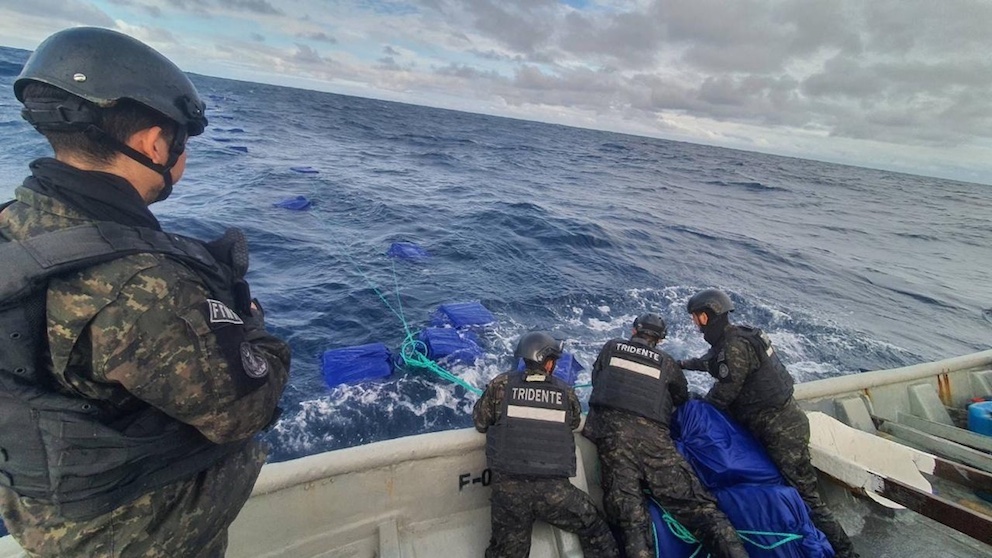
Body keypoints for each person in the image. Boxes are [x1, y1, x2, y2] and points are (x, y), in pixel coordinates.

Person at [0, 27, 291, 557]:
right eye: (182, 143)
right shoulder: (144, 286)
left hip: (45, 519)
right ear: (153, 143)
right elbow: (245, 411)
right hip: (136, 537)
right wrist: (251, 327)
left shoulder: (12, 225)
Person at [680, 289, 858, 558]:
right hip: (775, 425)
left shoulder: (734, 346)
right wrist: (680, 364)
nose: (696, 323)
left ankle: (845, 553)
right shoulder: (737, 336)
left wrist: (696, 411)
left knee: (807, 498)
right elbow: (712, 361)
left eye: (696, 317)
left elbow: (724, 394)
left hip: (781, 431)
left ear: (707, 316)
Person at [583, 314, 749, 558]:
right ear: (660, 340)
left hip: (613, 441)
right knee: (698, 508)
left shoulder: (611, 347)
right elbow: (680, 396)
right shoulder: (667, 362)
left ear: (634, 331)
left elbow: (598, 380)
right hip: (655, 443)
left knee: (631, 519)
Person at [473, 331, 618, 558]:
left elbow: (481, 422)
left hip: (509, 494)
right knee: (594, 524)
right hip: (554, 494)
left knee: (507, 553)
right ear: (548, 363)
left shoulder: (500, 385)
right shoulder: (565, 392)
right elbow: (573, 422)